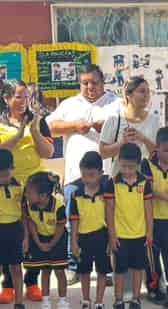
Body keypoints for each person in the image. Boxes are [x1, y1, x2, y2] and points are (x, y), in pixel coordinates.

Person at [46, 64, 120, 282]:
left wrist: (104, 125)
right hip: (74, 175)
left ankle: (104, 268)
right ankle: (74, 266)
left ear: (103, 82)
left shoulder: (114, 103)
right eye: (85, 82)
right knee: (73, 221)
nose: (90, 87)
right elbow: (50, 126)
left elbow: (124, 125)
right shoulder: (69, 104)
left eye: (94, 82)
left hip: (105, 174)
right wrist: (74, 126)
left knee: (105, 220)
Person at [0, 80, 54, 302]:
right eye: (18, 97)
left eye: (27, 97)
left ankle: (31, 281)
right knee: (8, 234)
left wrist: (33, 131)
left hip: (34, 187)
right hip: (7, 185)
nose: (24, 102)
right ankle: (9, 284)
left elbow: (48, 152)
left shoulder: (39, 121)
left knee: (34, 233)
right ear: (7, 99)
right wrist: (19, 133)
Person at [104, 143, 154, 309]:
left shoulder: (144, 183)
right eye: (123, 166)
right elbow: (109, 210)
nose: (126, 170)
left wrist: (149, 232)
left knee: (138, 268)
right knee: (119, 270)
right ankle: (118, 299)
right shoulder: (112, 183)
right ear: (118, 161)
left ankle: (136, 298)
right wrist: (112, 235)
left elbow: (148, 209)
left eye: (131, 167)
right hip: (120, 236)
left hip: (139, 235)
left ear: (138, 164)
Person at [140, 127, 168, 308]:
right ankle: (154, 288)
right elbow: (147, 189)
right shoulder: (146, 165)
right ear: (156, 148)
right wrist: (164, 195)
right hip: (150, 219)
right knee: (152, 256)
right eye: (165, 150)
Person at [69, 151, 112, 309]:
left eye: (92, 175)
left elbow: (110, 218)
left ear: (101, 173)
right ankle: (86, 300)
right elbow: (73, 221)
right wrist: (73, 242)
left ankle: (99, 301)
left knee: (102, 271)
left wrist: (111, 238)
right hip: (83, 238)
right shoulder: (76, 195)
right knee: (84, 272)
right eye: (84, 175)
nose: (87, 179)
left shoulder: (106, 193)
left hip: (102, 236)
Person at [23, 172, 69, 309]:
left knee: (59, 271)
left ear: (43, 195)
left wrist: (51, 244)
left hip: (57, 239)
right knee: (45, 270)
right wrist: (38, 243)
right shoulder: (28, 205)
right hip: (40, 237)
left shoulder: (58, 206)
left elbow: (61, 227)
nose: (26, 195)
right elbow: (31, 223)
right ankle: (46, 299)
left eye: (29, 192)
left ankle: (62, 300)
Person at [100, 76, 159, 176]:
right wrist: (122, 143)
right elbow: (103, 153)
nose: (146, 95)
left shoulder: (154, 120)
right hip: (119, 182)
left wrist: (144, 139)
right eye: (142, 91)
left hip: (147, 182)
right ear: (128, 94)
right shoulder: (114, 119)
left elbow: (160, 154)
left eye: (148, 92)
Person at [0, 149, 26, 309]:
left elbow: (24, 214)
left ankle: (19, 303)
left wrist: (26, 237)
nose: (3, 179)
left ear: (12, 168)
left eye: (6, 175)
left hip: (15, 230)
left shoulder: (19, 187)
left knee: (16, 267)